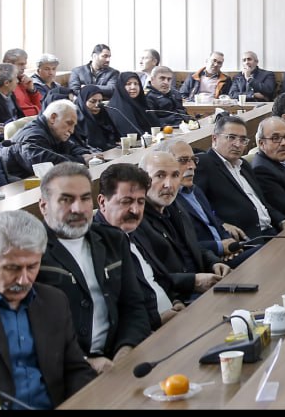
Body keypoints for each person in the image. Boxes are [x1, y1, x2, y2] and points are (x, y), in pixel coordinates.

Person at [0, 211, 96, 409]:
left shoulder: (55, 301)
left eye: (32, 267)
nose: (23, 280)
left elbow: (75, 368)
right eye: (12, 268)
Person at [36, 162, 152, 373]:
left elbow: (134, 307)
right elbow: (30, 331)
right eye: (66, 199)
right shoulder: (31, 254)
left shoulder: (113, 240)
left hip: (118, 359)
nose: (78, 209)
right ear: (44, 206)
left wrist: (126, 349)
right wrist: (85, 362)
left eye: (85, 198)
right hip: (67, 370)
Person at [135, 150, 232, 303]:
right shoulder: (135, 222)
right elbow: (151, 277)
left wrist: (214, 263)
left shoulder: (176, 207)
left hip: (205, 289)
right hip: (178, 300)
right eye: (160, 175)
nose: (169, 184)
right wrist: (193, 281)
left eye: (175, 175)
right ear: (141, 180)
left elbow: (194, 247)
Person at [94, 163, 181, 330]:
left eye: (141, 202)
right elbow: (116, 315)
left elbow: (159, 277)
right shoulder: (96, 248)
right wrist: (158, 320)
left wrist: (175, 301)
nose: (135, 210)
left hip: (175, 317)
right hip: (149, 333)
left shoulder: (135, 229)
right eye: (126, 201)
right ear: (102, 202)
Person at [193, 113, 285, 239]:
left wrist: (282, 221)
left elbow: (262, 203)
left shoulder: (244, 165)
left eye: (243, 139)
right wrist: (220, 224)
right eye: (231, 138)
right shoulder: (204, 163)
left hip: (272, 230)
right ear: (214, 139)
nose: (238, 144)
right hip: (246, 238)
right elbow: (195, 205)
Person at [168, 139, 244, 263]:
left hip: (228, 254)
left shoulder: (196, 190)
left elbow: (217, 224)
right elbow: (184, 245)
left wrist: (229, 244)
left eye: (193, 160)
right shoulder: (169, 202)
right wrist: (220, 247)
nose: (192, 166)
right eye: (183, 160)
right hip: (209, 262)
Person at [9, 100, 82, 178]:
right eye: (69, 123)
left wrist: (84, 154)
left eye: (74, 126)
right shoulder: (32, 135)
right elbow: (45, 165)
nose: (72, 131)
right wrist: (81, 160)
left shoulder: (55, 133)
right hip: (16, 183)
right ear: (53, 118)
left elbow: (72, 147)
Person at [72, 85, 118, 158]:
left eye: (100, 101)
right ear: (83, 101)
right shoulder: (76, 120)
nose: (97, 105)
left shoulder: (103, 114)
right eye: (93, 101)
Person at [107, 71, 152, 138]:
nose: (133, 87)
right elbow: (130, 133)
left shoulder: (141, 104)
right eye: (128, 84)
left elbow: (155, 125)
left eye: (136, 84)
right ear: (121, 87)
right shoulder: (116, 108)